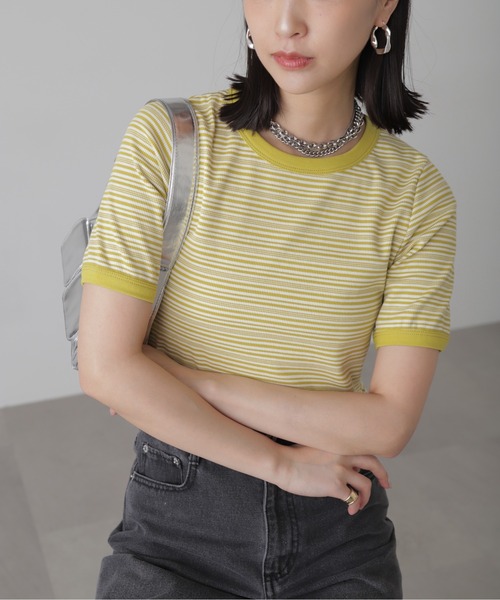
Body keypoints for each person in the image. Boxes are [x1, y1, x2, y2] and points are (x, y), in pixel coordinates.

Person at [78, 0, 456, 597]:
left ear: (384, 5)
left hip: (338, 524)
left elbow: (388, 425)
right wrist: (280, 465)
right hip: (178, 523)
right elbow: (103, 369)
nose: (286, 23)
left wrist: (183, 378)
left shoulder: (416, 194)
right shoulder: (172, 139)